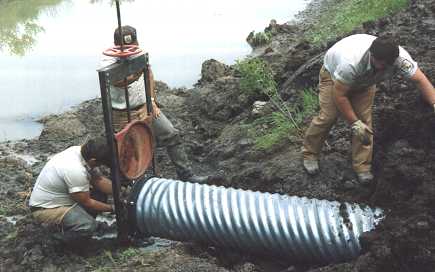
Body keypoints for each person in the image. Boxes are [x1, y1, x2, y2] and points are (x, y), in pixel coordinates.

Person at [302, 34, 435, 183]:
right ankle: (310, 154)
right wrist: (354, 123)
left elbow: (420, 80)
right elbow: (340, 96)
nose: (383, 67)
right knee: (328, 117)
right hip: (333, 77)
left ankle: (362, 167)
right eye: (380, 63)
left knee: (365, 121)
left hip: (366, 82)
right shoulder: (350, 63)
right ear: (371, 54)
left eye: (387, 65)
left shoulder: (400, 60)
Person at [101, 25, 210, 183]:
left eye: (132, 45)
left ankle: (186, 175)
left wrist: (151, 101)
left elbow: (149, 75)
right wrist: (136, 70)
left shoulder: (140, 54)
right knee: (129, 150)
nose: (129, 50)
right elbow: (118, 82)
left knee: (171, 133)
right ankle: (131, 186)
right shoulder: (107, 61)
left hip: (146, 107)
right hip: (121, 113)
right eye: (124, 47)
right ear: (116, 45)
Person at [28, 137, 114, 242]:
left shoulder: (80, 151)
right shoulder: (75, 169)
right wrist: (113, 208)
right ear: (93, 161)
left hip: (63, 199)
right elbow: (87, 202)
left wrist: (122, 192)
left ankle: (77, 223)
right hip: (45, 208)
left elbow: (98, 180)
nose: (100, 166)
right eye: (100, 164)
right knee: (88, 226)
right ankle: (55, 242)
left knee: (99, 195)